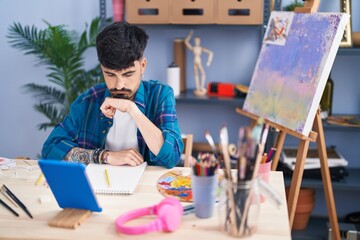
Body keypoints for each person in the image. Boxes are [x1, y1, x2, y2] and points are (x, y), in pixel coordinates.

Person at [41, 21, 184, 168]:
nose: (119, 85)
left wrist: (132, 109)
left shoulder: (160, 94)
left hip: (144, 188)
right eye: (110, 74)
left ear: (142, 66)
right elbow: (50, 148)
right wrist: (104, 156)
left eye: (128, 74)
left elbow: (171, 156)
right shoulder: (90, 100)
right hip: (97, 188)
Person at [184, 30, 213, 96]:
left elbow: (210, 53)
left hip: (197, 60)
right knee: (197, 74)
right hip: (196, 60)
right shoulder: (193, 48)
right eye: (196, 40)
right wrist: (190, 34)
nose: (197, 41)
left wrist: (209, 61)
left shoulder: (200, 48)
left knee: (202, 74)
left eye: (198, 40)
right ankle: (198, 88)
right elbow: (186, 42)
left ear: (199, 41)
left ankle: (201, 87)